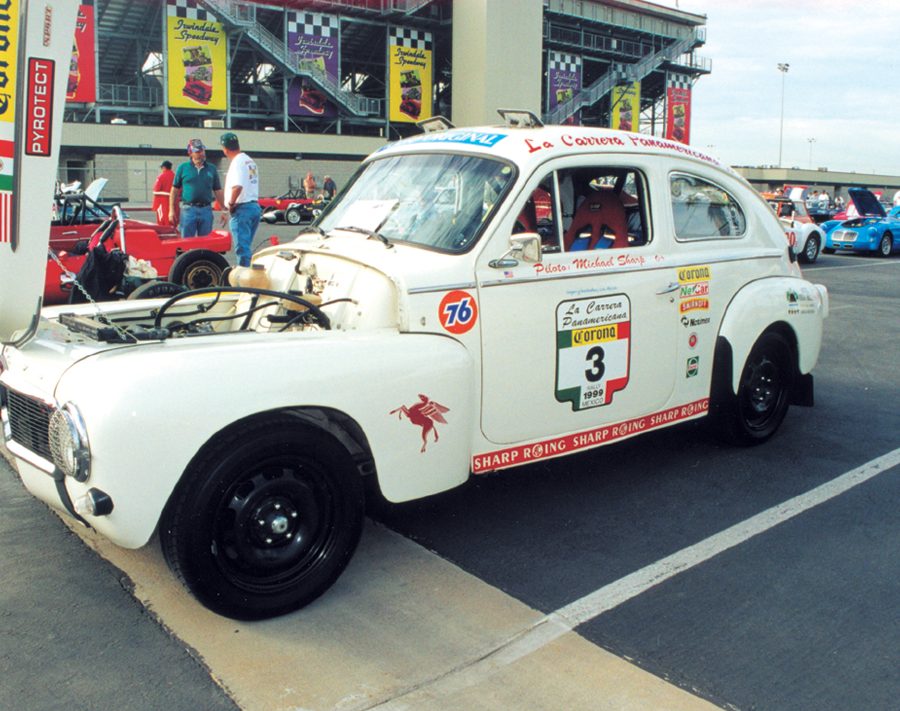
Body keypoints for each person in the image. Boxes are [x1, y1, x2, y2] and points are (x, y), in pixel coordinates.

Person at [220, 132, 262, 268]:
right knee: (246, 246)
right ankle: (247, 271)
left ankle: (243, 279)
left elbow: (237, 186)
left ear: (225, 148)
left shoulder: (237, 162)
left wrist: (231, 204)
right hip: (254, 206)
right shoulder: (249, 161)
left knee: (242, 248)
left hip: (242, 208)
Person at [170, 138, 224, 237]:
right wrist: (172, 210)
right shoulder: (183, 168)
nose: (201, 153)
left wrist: (224, 209)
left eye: (202, 150)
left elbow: (218, 190)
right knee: (186, 242)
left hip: (206, 210)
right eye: (197, 151)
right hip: (188, 210)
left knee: (205, 242)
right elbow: (174, 190)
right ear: (190, 153)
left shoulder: (211, 169)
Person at [152, 161, 176, 226]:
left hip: (162, 202)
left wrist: (167, 193)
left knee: (162, 222)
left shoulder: (161, 176)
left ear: (164, 168)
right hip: (174, 202)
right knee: (173, 221)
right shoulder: (175, 176)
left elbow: (155, 190)